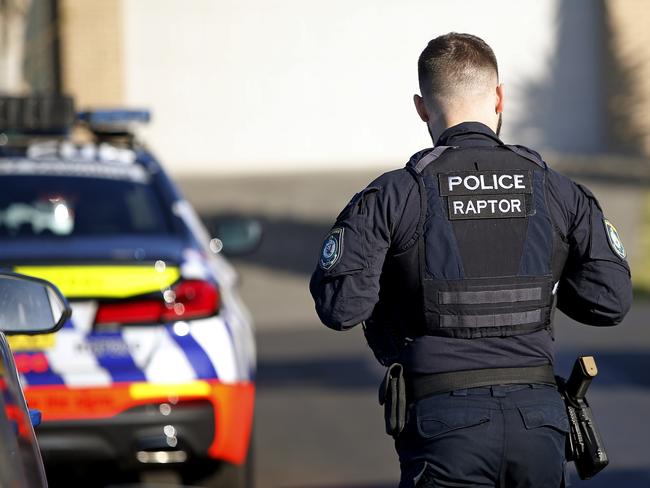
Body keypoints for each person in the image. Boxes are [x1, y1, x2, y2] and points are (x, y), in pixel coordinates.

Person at [309, 33, 632, 488]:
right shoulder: (558, 191)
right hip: (538, 425)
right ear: (500, 97)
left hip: (443, 427)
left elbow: (341, 307)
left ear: (422, 107)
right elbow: (610, 300)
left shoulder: (394, 195)